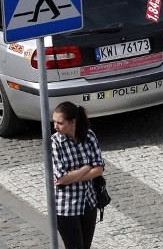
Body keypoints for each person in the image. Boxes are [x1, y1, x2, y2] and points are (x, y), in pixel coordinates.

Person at [51, 101, 105, 249]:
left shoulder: (89, 136)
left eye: (59, 123)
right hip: (66, 206)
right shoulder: (55, 143)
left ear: (73, 122)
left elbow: (99, 169)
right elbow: (60, 178)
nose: (55, 126)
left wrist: (70, 178)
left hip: (88, 202)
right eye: (54, 121)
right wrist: (86, 168)